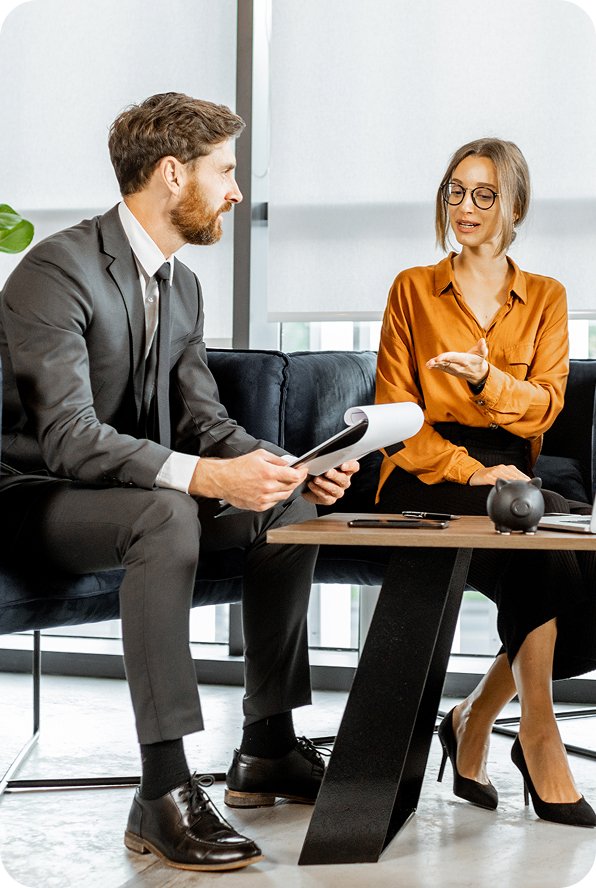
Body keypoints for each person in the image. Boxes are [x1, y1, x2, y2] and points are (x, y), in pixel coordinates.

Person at [0, 92, 358, 871]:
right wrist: (203, 476)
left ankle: (268, 744)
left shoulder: (182, 285)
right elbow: (66, 437)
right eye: (224, 171)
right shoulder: (55, 271)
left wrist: (284, 466)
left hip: (126, 494)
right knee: (166, 514)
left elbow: (203, 421)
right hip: (32, 498)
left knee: (287, 505)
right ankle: (162, 791)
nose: (235, 191)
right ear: (172, 173)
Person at [375, 137, 596, 828]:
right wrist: (473, 469)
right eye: (456, 191)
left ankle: (472, 717)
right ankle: (538, 734)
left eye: (484, 194)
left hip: (512, 469)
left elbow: (545, 407)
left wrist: (485, 379)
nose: (465, 207)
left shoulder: (547, 297)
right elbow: (396, 417)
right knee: (538, 532)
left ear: (515, 206)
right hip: (424, 469)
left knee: (574, 539)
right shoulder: (412, 288)